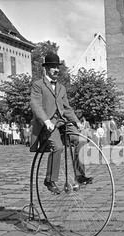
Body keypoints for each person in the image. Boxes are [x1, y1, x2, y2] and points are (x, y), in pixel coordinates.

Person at [30, 52, 92, 194]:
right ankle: (50, 180)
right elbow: (36, 105)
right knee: (58, 147)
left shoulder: (61, 88)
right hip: (48, 124)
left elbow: (66, 108)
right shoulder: (38, 85)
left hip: (62, 122)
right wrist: (46, 121)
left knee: (81, 140)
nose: (56, 70)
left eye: (58, 67)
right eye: (53, 67)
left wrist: (77, 122)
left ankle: (79, 175)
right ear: (46, 69)